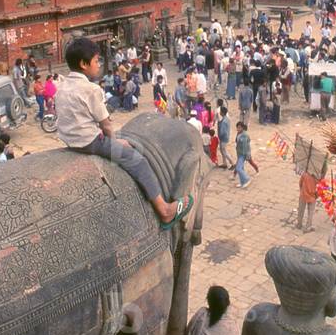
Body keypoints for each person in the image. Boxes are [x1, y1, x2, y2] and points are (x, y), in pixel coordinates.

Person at [56, 37, 192, 229]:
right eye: (96, 61)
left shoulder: (62, 85)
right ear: (83, 64)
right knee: (138, 161)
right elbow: (107, 126)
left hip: (70, 139)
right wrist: (116, 144)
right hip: (90, 142)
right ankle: (164, 210)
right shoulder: (90, 89)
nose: (99, 65)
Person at [233, 121, 251, 189]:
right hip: (239, 153)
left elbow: (245, 146)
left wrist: (246, 155)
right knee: (241, 168)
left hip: (242, 154)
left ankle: (247, 179)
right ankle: (242, 182)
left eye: (239, 128)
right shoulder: (239, 133)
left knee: (238, 168)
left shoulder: (244, 135)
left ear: (242, 128)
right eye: (237, 127)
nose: (238, 129)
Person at [217, 105, 234, 170]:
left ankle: (232, 163)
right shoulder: (226, 119)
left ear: (222, 113)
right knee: (222, 151)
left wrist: (220, 136)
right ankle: (225, 163)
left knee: (224, 151)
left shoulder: (224, 121)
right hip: (226, 137)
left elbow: (222, 132)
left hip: (223, 138)